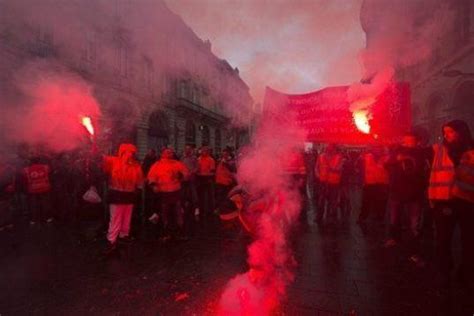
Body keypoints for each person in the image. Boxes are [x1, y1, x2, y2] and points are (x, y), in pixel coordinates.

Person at [428, 120, 474, 293]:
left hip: (468, 201)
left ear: (461, 133)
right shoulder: (439, 150)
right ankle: (444, 272)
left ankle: (467, 272)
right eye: (445, 132)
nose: (446, 135)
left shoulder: (471, 151)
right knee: (442, 239)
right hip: (444, 201)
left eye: (451, 132)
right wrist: (432, 197)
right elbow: (434, 173)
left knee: (469, 240)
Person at [384, 133, 430, 266]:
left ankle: (414, 250)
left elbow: (424, 172)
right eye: (406, 140)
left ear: (416, 142)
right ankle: (394, 238)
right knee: (394, 218)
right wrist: (397, 158)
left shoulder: (422, 154)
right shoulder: (396, 152)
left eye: (411, 141)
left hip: (414, 193)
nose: (408, 143)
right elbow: (386, 164)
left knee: (414, 224)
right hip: (397, 192)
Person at [103, 143, 144, 253]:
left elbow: (139, 181)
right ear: (123, 152)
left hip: (129, 195)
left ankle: (123, 236)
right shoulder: (113, 161)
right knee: (115, 218)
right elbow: (101, 162)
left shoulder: (136, 166)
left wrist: (139, 191)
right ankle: (111, 240)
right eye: (129, 152)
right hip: (117, 194)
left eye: (132, 153)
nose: (131, 155)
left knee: (126, 217)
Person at [147, 148, 190, 240]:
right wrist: (154, 185)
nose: (170, 154)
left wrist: (181, 177)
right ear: (162, 154)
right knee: (164, 212)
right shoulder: (157, 165)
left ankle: (179, 232)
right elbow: (151, 176)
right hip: (163, 192)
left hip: (175, 191)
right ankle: (166, 232)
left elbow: (186, 174)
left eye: (171, 152)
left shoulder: (177, 163)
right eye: (167, 152)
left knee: (178, 212)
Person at [357, 146, 389, 223]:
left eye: (379, 147)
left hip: (382, 184)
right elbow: (359, 164)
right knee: (366, 202)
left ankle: (380, 219)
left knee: (381, 203)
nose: (377, 149)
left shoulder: (387, 157)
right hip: (369, 183)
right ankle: (363, 218)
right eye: (376, 147)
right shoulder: (367, 156)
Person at [314, 144, 343, 223]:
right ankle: (319, 217)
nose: (329, 150)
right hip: (323, 182)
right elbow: (316, 167)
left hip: (333, 183)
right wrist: (318, 175)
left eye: (331, 148)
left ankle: (332, 218)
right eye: (327, 148)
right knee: (321, 200)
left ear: (334, 149)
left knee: (333, 201)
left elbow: (339, 169)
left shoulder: (339, 157)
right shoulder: (321, 156)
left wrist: (331, 168)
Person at [23, 155, 53, 225]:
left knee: (33, 205)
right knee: (45, 204)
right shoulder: (45, 167)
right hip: (44, 188)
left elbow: (23, 178)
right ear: (39, 160)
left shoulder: (26, 169)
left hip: (33, 189)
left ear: (30, 162)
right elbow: (50, 171)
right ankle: (47, 218)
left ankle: (33, 220)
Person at [215, 148, 236, 213]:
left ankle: (226, 210)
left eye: (226, 154)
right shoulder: (220, 161)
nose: (224, 155)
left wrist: (226, 163)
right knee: (220, 197)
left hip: (227, 183)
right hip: (219, 182)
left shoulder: (231, 162)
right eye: (223, 154)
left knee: (226, 197)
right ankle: (221, 209)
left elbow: (233, 170)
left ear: (228, 154)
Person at [196, 146, 216, 218]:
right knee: (201, 196)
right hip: (200, 179)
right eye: (202, 150)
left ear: (208, 151)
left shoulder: (211, 160)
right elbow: (197, 169)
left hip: (208, 179)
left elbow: (212, 171)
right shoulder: (198, 159)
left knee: (209, 195)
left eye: (205, 150)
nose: (203, 152)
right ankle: (202, 209)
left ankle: (210, 210)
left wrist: (207, 176)